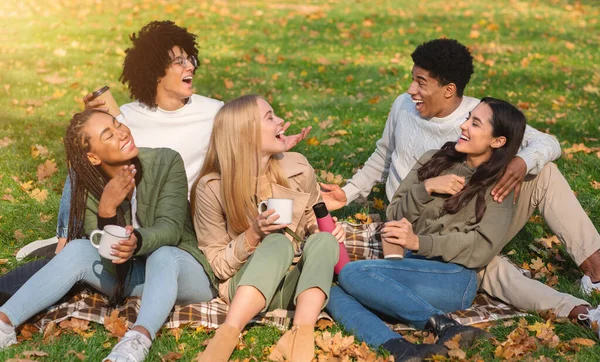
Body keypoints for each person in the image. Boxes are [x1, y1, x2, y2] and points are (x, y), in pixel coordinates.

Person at [5, 20, 310, 301]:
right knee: (84, 163)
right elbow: (90, 166)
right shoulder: (125, 118)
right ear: (154, 71)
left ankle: (67, 254)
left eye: (190, 58)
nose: (189, 65)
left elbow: (247, 144)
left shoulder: (215, 112)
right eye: (178, 61)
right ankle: (63, 242)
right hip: (131, 217)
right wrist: (89, 122)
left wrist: (278, 148)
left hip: (181, 221)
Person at [320, 38, 600, 324]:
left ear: (449, 89)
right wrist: (349, 193)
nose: (410, 90)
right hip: (420, 218)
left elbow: (548, 143)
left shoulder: (480, 114)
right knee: (487, 267)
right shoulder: (404, 108)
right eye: (412, 79)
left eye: (420, 82)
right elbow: (384, 154)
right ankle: (584, 314)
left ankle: (596, 269)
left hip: (474, 214)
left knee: (544, 172)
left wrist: (520, 162)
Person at [0, 109, 217, 362]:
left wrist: (137, 240)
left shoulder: (166, 162)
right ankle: (5, 322)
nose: (122, 133)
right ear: (92, 156)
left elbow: (170, 229)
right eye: (109, 134)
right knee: (78, 249)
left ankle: (137, 341)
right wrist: (106, 211)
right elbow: (105, 253)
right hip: (132, 276)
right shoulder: (88, 184)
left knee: (163, 254)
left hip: (184, 273)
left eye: (117, 124)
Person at [327, 97, 527, 361]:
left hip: (452, 277)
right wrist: (427, 187)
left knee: (353, 274)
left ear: (497, 141)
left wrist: (419, 242)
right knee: (329, 290)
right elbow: (395, 213)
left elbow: (481, 248)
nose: (464, 126)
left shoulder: (497, 185)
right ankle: (401, 349)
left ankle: (445, 326)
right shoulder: (434, 159)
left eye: (475, 123)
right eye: (468, 118)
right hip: (407, 267)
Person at [193, 95, 343, 362]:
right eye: (270, 117)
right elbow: (217, 266)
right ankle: (225, 338)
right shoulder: (212, 187)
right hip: (244, 287)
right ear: (245, 132)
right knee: (277, 242)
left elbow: (311, 219)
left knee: (325, 243)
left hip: (290, 287)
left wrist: (323, 232)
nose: (280, 122)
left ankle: (300, 337)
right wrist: (254, 234)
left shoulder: (297, 166)